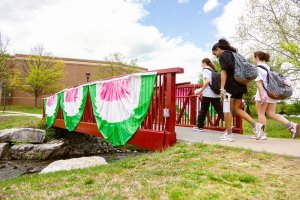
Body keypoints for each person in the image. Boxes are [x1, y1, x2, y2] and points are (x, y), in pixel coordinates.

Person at [212, 39, 263, 141]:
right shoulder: (236, 54)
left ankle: (229, 134)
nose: (215, 56)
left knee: (227, 110)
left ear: (218, 49)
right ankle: (256, 125)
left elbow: (224, 71)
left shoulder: (224, 55)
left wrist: (222, 87)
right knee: (236, 109)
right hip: (240, 85)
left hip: (229, 86)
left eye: (215, 53)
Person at [252, 51, 299, 139]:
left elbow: (259, 83)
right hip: (273, 94)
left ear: (257, 57)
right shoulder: (269, 68)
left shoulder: (257, 68)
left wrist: (261, 95)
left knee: (261, 113)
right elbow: (267, 82)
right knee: (271, 113)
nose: (252, 59)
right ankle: (292, 125)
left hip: (264, 94)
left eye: (253, 58)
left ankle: (262, 134)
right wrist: (257, 94)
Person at [193, 58, 224, 132]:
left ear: (204, 63)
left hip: (208, 94)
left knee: (203, 110)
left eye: (201, 63)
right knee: (220, 110)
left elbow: (207, 81)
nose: (201, 65)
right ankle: (229, 125)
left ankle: (200, 127)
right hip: (216, 94)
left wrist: (201, 90)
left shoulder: (205, 70)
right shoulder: (213, 71)